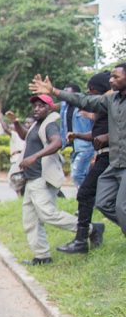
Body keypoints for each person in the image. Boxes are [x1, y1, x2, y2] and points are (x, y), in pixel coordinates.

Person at [31, 66, 125, 239]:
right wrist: (53, 91)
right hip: (115, 162)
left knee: (120, 206)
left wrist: (108, 136)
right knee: (103, 203)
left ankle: (84, 238)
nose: (111, 80)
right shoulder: (112, 100)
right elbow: (84, 101)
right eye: (110, 77)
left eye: (116, 77)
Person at [1, 94, 80, 265]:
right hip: (31, 179)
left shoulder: (50, 124)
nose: (37, 108)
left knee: (48, 215)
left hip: (41, 178)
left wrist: (34, 157)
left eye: (41, 105)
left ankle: (88, 229)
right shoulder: (37, 124)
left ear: (50, 108)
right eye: (35, 105)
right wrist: (15, 122)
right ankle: (42, 256)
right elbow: (24, 137)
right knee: (31, 220)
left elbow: (57, 143)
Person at [57, 72, 112, 254]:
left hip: (111, 157)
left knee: (88, 194)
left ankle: (82, 240)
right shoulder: (104, 108)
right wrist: (78, 135)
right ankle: (87, 236)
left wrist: (53, 90)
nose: (89, 93)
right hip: (103, 156)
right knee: (100, 200)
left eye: (92, 90)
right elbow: (97, 135)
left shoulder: (110, 104)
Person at [61, 84, 95, 187]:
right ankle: (86, 198)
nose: (65, 96)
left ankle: (85, 198)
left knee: (77, 175)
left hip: (85, 146)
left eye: (68, 93)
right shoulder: (64, 106)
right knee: (83, 174)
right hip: (73, 146)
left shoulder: (86, 106)